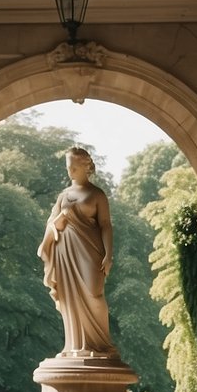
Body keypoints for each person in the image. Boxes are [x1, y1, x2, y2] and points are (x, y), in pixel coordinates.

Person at [37, 147, 118, 358]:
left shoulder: (96, 194)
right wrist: (58, 221)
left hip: (91, 250)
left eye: (74, 167)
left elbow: (106, 225)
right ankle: (74, 345)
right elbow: (50, 223)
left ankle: (102, 344)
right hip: (65, 251)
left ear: (85, 167)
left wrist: (108, 254)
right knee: (69, 296)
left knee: (94, 293)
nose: (70, 171)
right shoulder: (63, 196)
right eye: (68, 167)